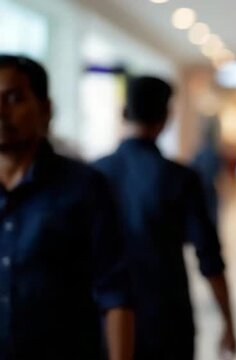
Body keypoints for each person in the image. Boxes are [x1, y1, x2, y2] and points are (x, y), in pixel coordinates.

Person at [93, 76, 236, 360]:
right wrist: (229, 322)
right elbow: (209, 258)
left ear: (124, 113)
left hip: (103, 321)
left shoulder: (93, 175)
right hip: (167, 319)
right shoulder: (181, 178)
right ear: (167, 117)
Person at [0, 55, 133, 359]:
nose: (1, 111)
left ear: (45, 109)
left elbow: (115, 294)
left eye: (14, 98)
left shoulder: (85, 187)